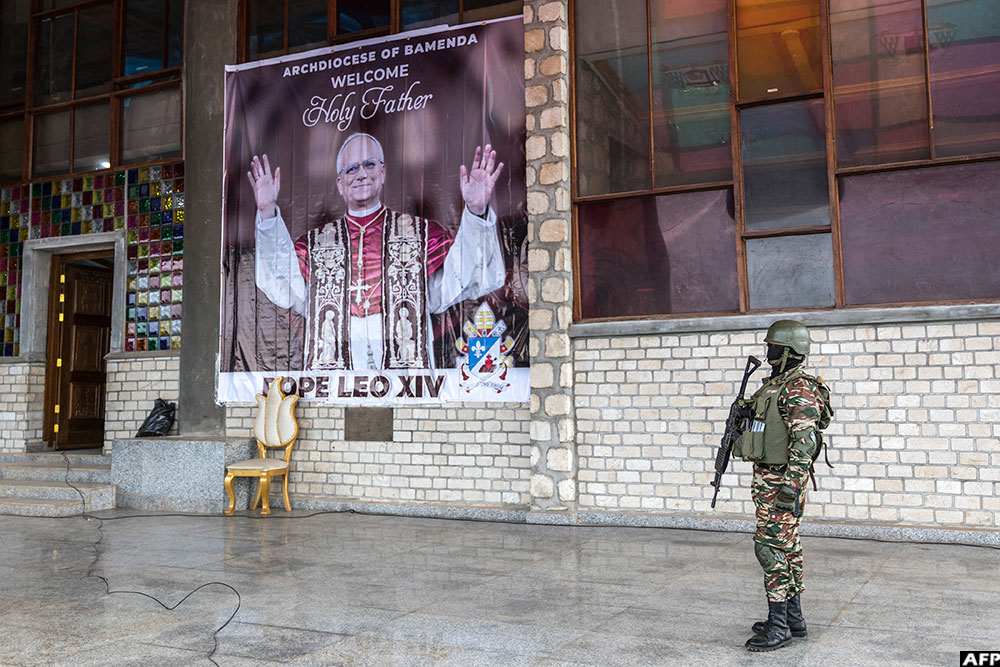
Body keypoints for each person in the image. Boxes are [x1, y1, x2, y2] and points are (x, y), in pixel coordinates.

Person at [247, 132, 506, 370]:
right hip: (336, 375)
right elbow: (284, 287)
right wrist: (267, 213)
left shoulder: (420, 234)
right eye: (351, 169)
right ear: (339, 183)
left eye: (369, 165)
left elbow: (451, 287)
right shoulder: (315, 245)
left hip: (403, 371)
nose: (361, 174)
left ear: (383, 172)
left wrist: (475, 211)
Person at [741, 319, 831, 652]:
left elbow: (804, 443)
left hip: (782, 482)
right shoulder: (775, 385)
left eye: (773, 347)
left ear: (788, 351)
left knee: (768, 547)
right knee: (787, 547)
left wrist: (790, 489)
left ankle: (778, 627)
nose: (768, 351)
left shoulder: (798, 388)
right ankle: (793, 619)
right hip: (769, 479)